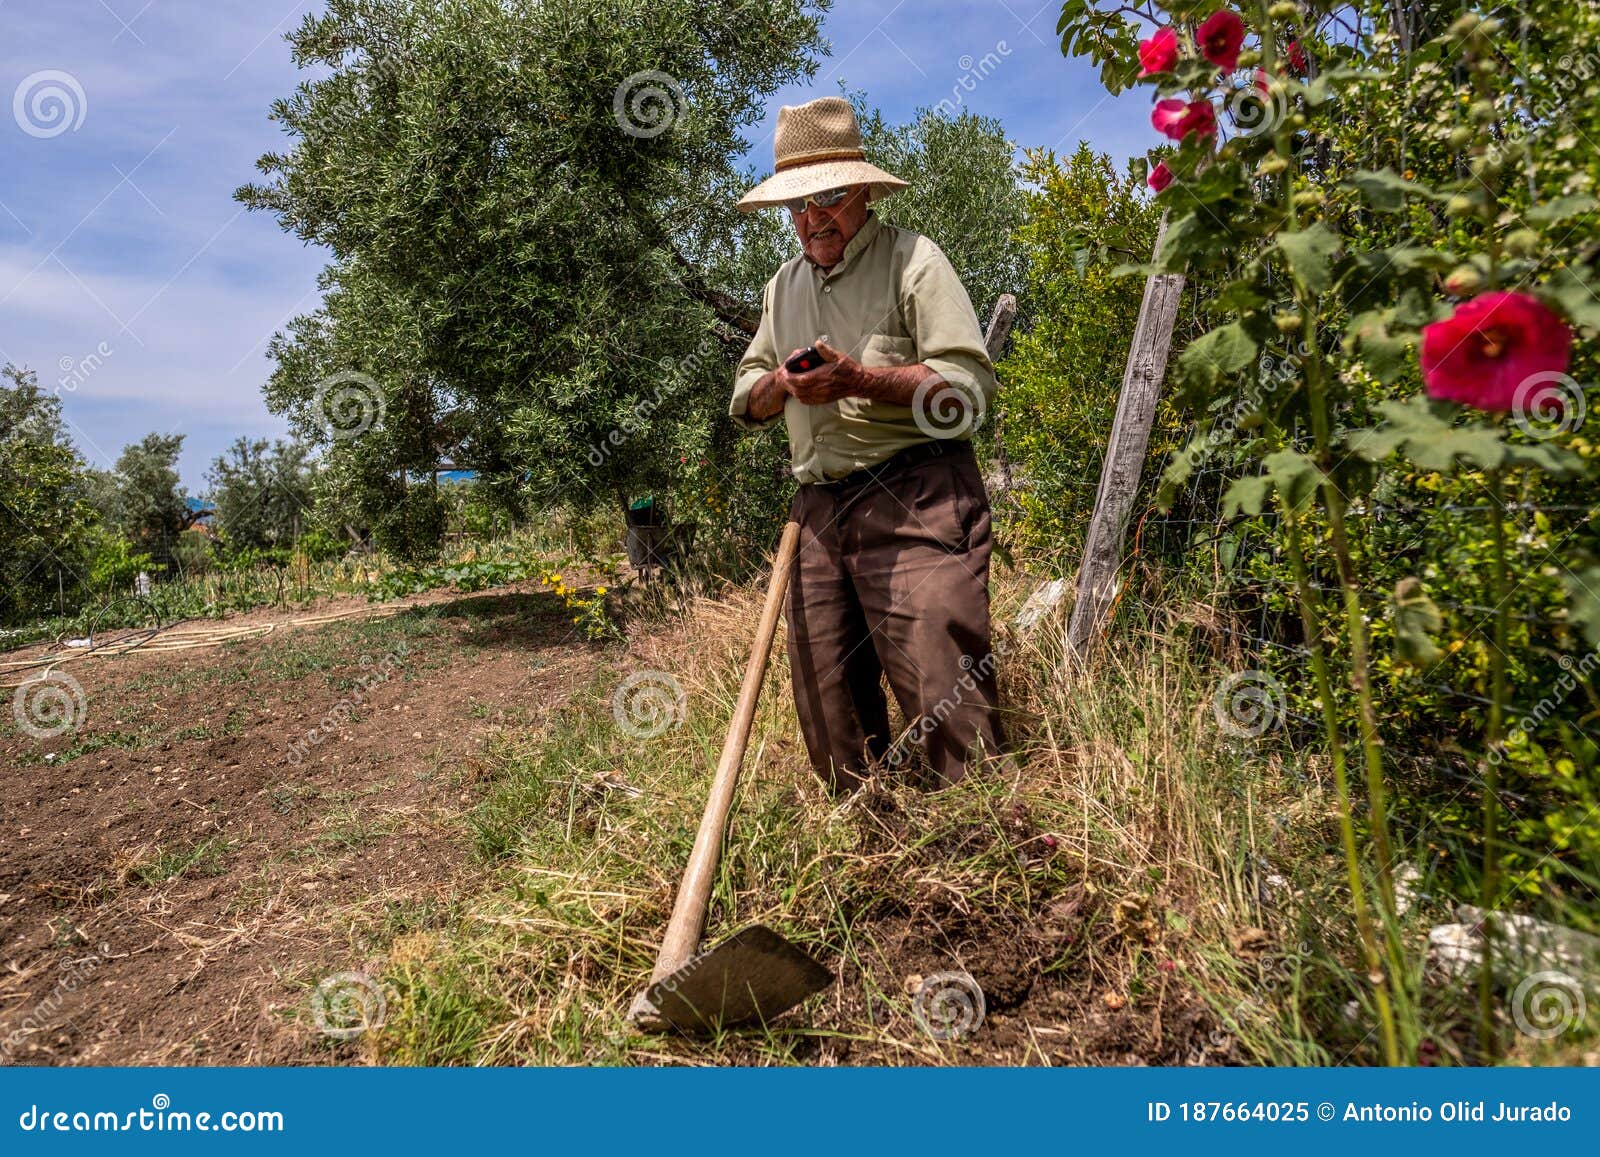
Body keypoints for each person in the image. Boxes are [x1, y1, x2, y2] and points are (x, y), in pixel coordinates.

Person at [729, 95, 1004, 793]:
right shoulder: (782, 287)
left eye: (827, 196)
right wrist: (783, 388)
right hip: (818, 513)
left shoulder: (915, 261)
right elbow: (747, 391)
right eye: (797, 203)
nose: (811, 217)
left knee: (947, 697)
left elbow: (965, 388)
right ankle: (871, 856)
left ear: (862, 192)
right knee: (830, 707)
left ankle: (989, 850)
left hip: (917, 496)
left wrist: (861, 379)